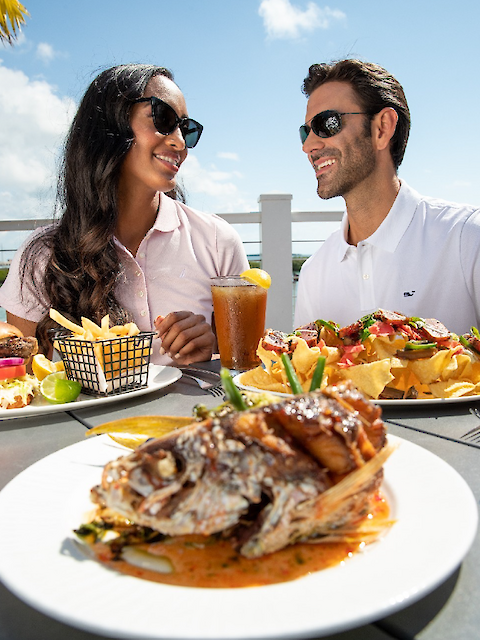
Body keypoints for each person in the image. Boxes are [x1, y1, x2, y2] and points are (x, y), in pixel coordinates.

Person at [0, 64, 249, 365]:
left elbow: (243, 372)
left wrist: (210, 352)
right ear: (110, 123)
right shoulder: (41, 256)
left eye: (187, 128)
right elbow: (21, 386)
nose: (180, 142)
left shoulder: (218, 242)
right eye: (164, 118)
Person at [294, 58, 480, 335]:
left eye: (326, 123)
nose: (308, 145)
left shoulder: (468, 239)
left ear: (382, 128)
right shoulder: (313, 273)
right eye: (305, 132)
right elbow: (306, 377)